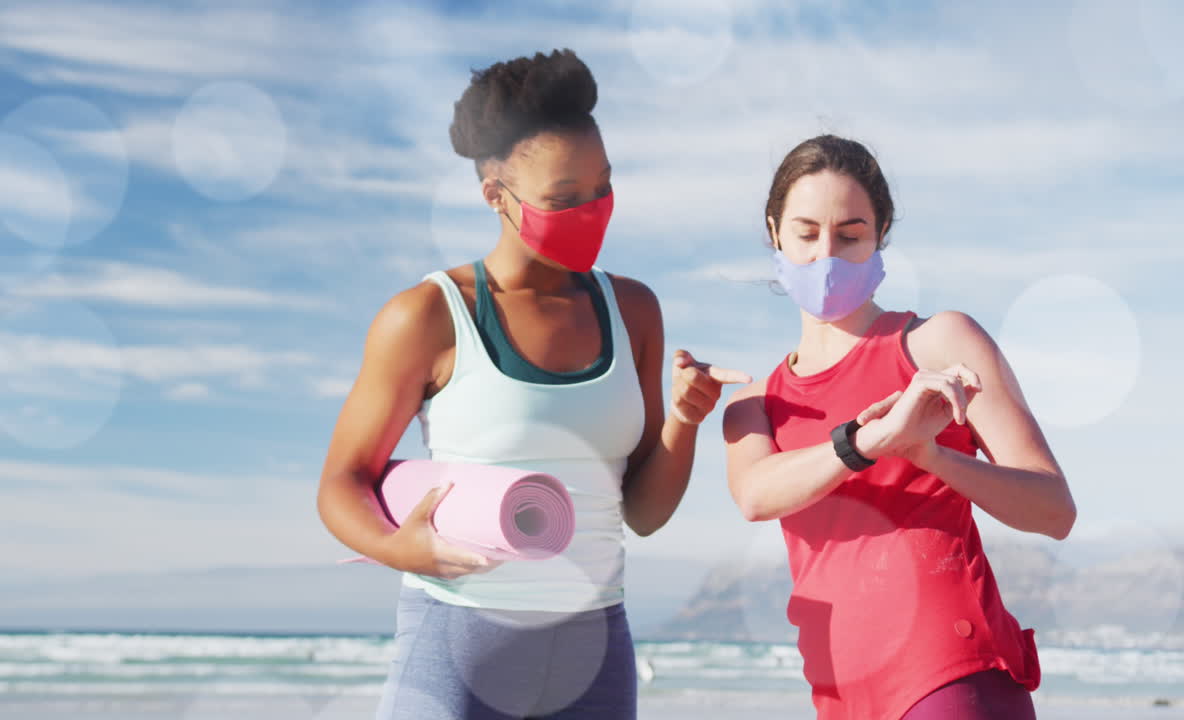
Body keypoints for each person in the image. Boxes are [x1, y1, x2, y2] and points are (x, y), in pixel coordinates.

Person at [316, 49, 747, 719]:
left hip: (597, 647)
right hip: (459, 642)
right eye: (563, 199)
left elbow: (643, 512)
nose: (593, 210)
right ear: (495, 196)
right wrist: (395, 546)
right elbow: (341, 482)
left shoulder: (634, 310)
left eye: (603, 186)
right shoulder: (428, 315)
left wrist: (684, 423)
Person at [722, 134, 1076, 720]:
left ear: (881, 233)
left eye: (851, 234)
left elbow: (1054, 510)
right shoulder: (755, 403)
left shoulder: (938, 344)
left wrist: (933, 455)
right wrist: (868, 443)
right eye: (807, 233)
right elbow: (756, 497)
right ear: (775, 231)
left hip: (950, 677)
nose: (826, 255)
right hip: (840, 695)